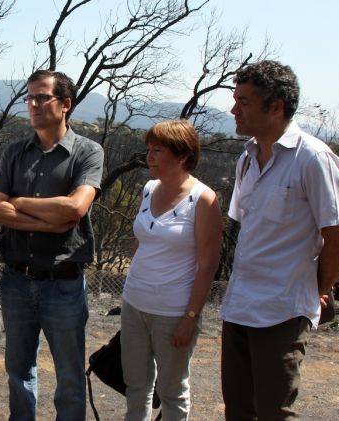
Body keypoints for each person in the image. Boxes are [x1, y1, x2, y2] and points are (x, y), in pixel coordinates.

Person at [221, 60, 339, 420]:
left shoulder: (314, 159)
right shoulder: (247, 158)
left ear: (276, 107)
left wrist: (315, 290)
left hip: (281, 312)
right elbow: (250, 232)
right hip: (239, 307)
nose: (234, 110)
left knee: (274, 413)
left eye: (244, 102)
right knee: (238, 411)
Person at [0, 69, 104, 421]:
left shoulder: (87, 151)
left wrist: (17, 202)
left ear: (65, 104)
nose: (33, 104)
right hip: (16, 280)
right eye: (30, 97)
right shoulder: (15, 151)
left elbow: (75, 209)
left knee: (69, 376)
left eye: (42, 97)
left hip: (64, 284)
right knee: (18, 372)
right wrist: (48, 218)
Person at [120, 119, 222, 421]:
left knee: (172, 391)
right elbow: (142, 242)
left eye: (158, 150)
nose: (149, 157)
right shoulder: (149, 188)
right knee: (136, 386)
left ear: (182, 156)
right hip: (135, 303)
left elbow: (208, 266)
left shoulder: (203, 199)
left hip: (173, 312)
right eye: (148, 149)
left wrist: (190, 318)